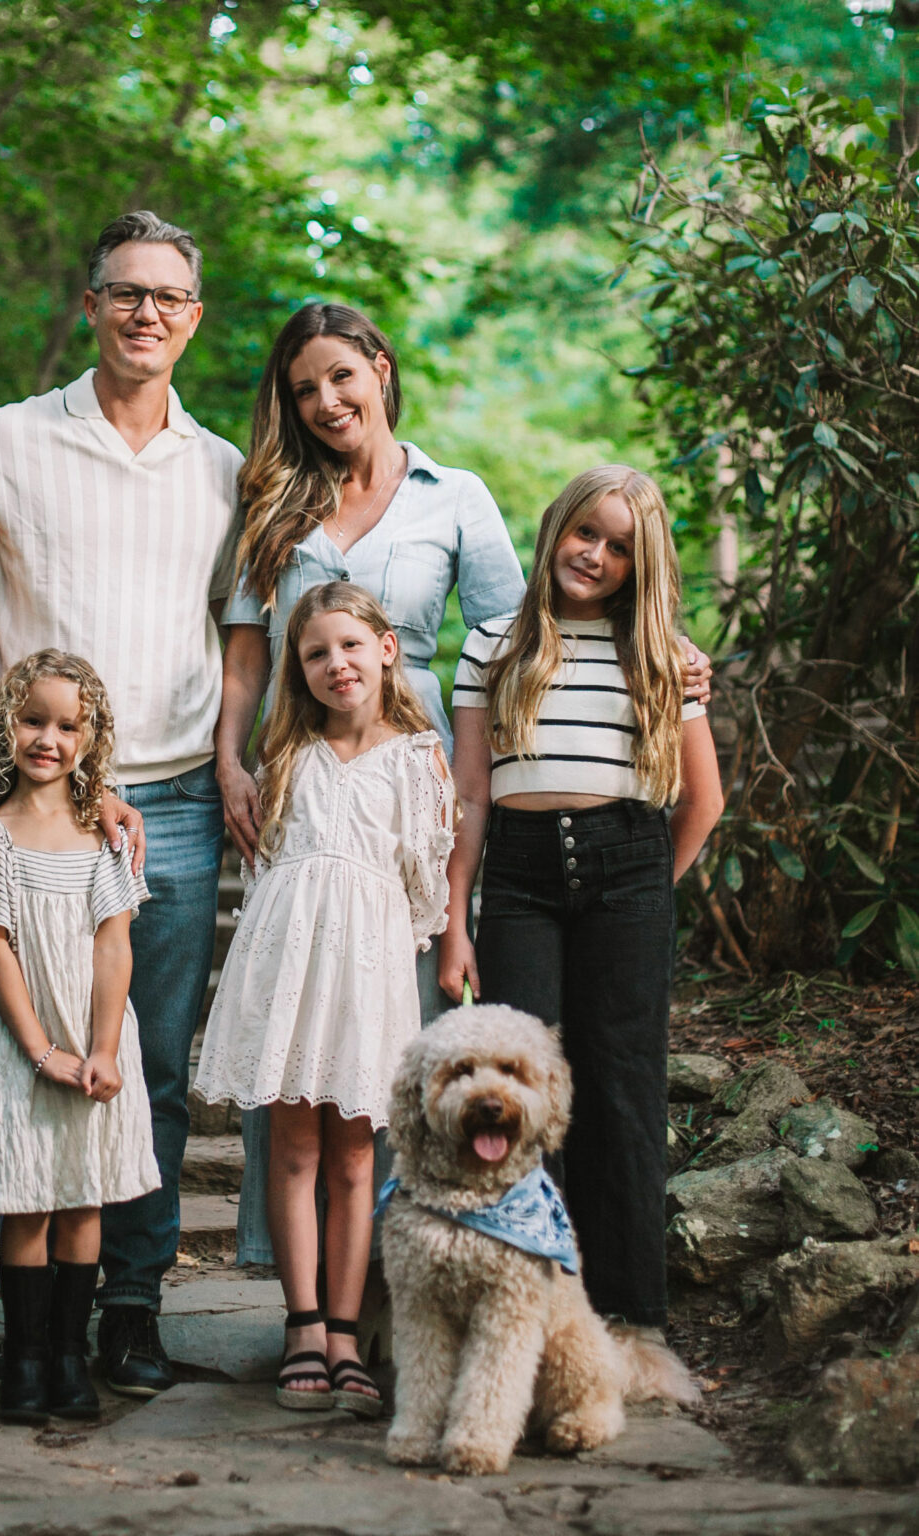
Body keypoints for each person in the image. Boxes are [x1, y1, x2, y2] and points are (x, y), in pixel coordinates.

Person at [215, 301, 712, 1266]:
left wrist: (669, 648)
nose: (325, 400)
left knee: (398, 1032)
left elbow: (529, 632)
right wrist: (233, 760)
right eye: (303, 388)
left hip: (414, 789)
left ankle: (401, 1266)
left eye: (340, 376)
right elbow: (245, 657)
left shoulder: (454, 497)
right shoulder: (270, 499)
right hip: (301, 788)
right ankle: (295, 1281)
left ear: (380, 368)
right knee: (289, 1030)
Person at [0, 211, 241, 1396]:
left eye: (167, 297)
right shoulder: (5, 440)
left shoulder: (223, 469)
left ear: (193, 319)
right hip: (35, 811)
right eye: (125, 292)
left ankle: (129, 1306)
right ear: (90, 306)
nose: (145, 313)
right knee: (26, 1055)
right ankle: (31, 1326)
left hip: (173, 798)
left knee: (146, 1063)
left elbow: (244, 628)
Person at [439, 464, 724, 1332]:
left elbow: (702, 800)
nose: (595, 554)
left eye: (619, 547)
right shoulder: (493, 644)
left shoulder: (663, 656)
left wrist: (643, 893)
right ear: (555, 528)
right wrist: (456, 922)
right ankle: (528, 1305)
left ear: (642, 565)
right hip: (518, 877)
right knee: (520, 1083)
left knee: (621, 1082)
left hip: (627, 863)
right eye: (584, 532)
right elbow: (471, 795)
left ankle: (628, 1316)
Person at [194, 582, 457, 1416]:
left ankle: (345, 1333)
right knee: (292, 1150)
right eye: (315, 653)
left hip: (367, 972)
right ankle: (302, 1324)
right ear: (297, 669)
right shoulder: (287, 757)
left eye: (349, 645)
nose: (335, 663)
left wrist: (375, 956)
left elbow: (425, 887)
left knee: (353, 1157)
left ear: (386, 648)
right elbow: (267, 869)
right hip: (289, 971)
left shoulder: (418, 759)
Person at [0, 650, 159, 1426]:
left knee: (81, 1196)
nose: (48, 738)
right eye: (33, 720)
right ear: (7, 726)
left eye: (68, 726)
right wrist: (41, 1052)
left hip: (94, 1036)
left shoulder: (103, 838)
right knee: (26, 1200)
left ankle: (70, 1357)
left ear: (90, 738)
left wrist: (101, 1050)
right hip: (19, 1043)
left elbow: (114, 945)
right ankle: (26, 1359)